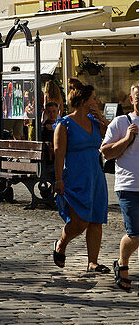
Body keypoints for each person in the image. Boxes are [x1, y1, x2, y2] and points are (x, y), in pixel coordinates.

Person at [52, 83, 109, 272]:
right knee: (80, 222)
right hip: (75, 177)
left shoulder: (94, 122)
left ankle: (93, 262)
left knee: (96, 220)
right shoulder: (64, 124)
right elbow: (59, 154)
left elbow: (107, 138)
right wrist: (59, 180)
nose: (96, 101)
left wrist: (101, 117)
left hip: (95, 176)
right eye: (93, 98)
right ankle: (62, 243)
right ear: (84, 101)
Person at [101, 81, 139, 292]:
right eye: (137, 97)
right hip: (128, 186)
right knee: (135, 233)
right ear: (131, 99)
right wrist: (127, 138)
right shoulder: (120, 122)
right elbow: (106, 153)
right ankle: (122, 264)